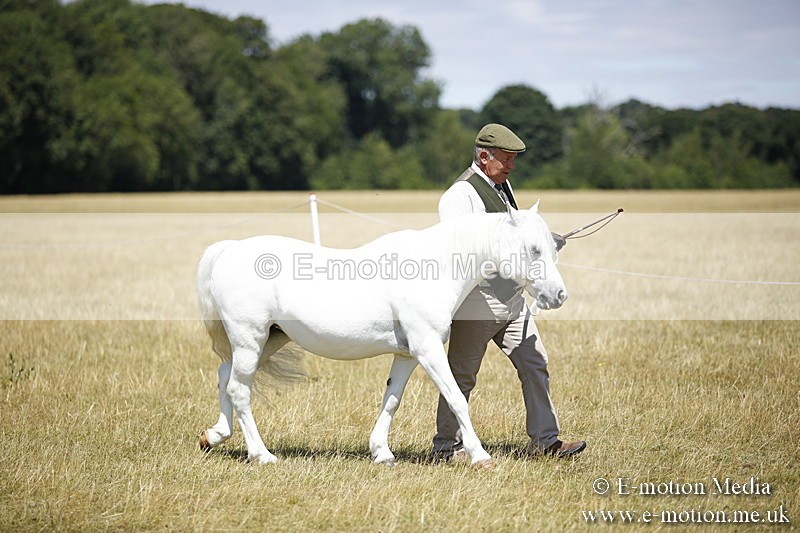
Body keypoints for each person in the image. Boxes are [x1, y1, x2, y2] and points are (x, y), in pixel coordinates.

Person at [431, 123, 586, 460]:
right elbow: (460, 253)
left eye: (513, 159)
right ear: (484, 156)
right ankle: (447, 447)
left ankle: (546, 442)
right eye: (506, 159)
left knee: (535, 363)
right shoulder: (459, 196)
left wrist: (544, 243)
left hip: (513, 300)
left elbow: (511, 235)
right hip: (478, 301)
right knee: (462, 377)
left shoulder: (501, 185)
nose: (512, 165)